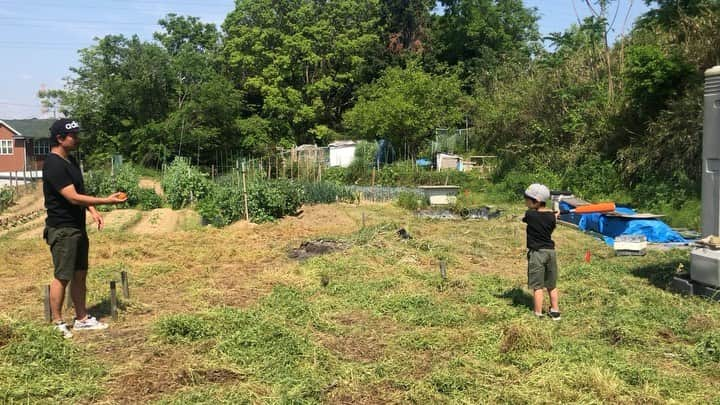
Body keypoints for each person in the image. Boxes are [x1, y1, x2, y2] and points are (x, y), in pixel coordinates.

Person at [43, 118, 127, 338]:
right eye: (73, 135)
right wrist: (107, 202)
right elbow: (71, 197)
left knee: (80, 274)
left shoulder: (69, 161)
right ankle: (58, 322)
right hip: (63, 229)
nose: (77, 139)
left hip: (77, 227)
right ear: (60, 138)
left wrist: (93, 210)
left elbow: (79, 191)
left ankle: (81, 319)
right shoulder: (53, 164)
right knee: (62, 275)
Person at [522, 183, 561, 321]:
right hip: (551, 252)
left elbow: (528, 218)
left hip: (537, 253)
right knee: (551, 285)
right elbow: (551, 222)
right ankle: (555, 311)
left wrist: (552, 214)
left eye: (527, 199)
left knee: (537, 286)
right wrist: (555, 214)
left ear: (536, 201)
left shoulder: (530, 215)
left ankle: (538, 313)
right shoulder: (551, 217)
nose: (525, 201)